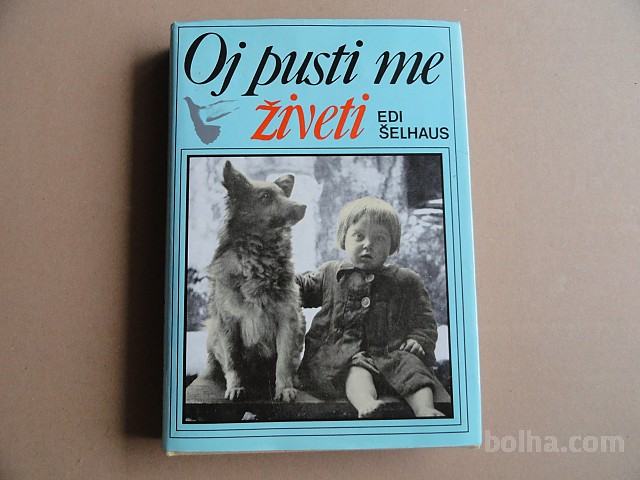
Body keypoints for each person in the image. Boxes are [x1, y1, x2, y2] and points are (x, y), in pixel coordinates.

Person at [296, 197, 446, 418]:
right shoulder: (331, 274)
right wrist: (279, 277)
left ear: (392, 244)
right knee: (356, 372)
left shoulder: (406, 280)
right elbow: (301, 289)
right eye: (359, 236)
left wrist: (418, 340)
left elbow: (423, 320)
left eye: (379, 238)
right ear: (344, 239)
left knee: (415, 372)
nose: (368, 244)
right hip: (342, 357)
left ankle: (424, 409)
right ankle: (367, 404)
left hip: (392, 354)